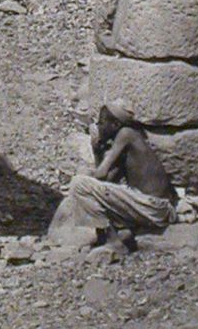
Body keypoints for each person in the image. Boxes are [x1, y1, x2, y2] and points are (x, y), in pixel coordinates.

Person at [51, 102, 176, 241]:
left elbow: (100, 174)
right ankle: (116, 233)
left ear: (115, 125)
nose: (98, 126)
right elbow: (105, 181)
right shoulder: (126, 142)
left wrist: (93, 150)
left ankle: (112, 241)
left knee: (79, 184)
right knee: (87, 186)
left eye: (101, 122)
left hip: (154, 206)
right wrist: (98, 152)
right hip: (153, 208)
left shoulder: (125, 134)